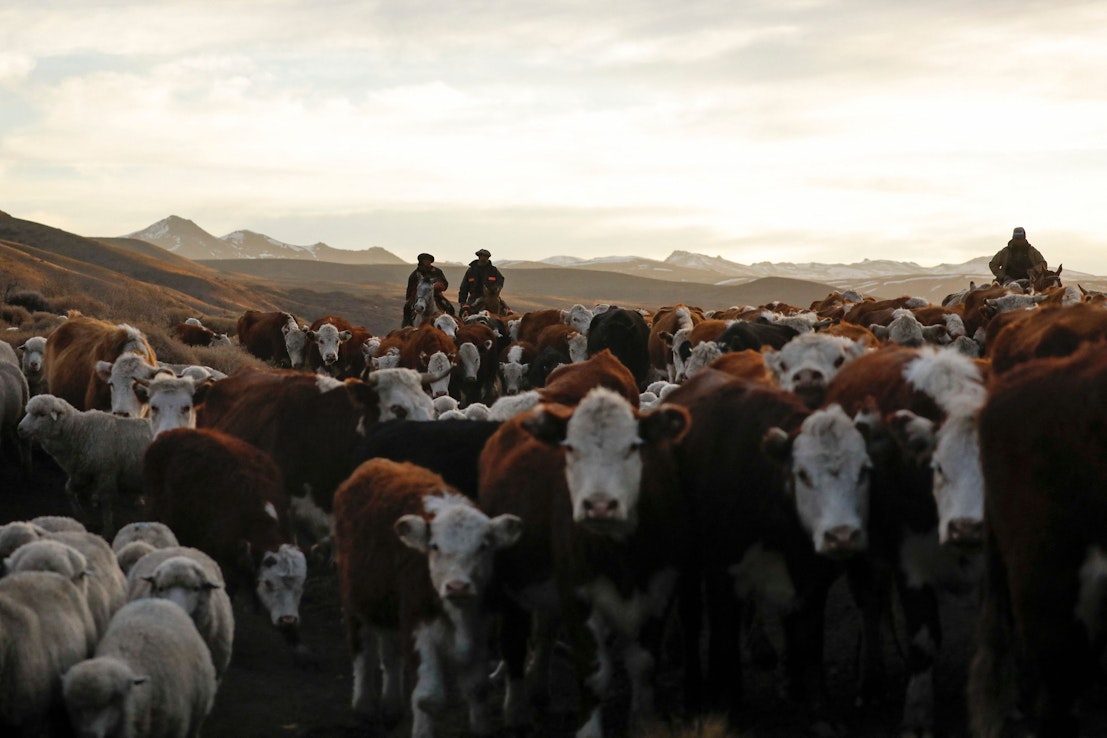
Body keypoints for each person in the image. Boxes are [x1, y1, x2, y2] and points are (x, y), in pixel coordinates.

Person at [402, 253, 453, 326]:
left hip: (435, 295)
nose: (427, 262)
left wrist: (439, 286)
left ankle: (450, 325)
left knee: (448, 307)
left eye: (428, 260)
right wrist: (409, 300)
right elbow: (410, 288)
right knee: (407, 308)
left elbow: (445, 283)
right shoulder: (414, 274)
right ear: (421, 261)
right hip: (418, 296)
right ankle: (407, 326)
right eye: (425, 260)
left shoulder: (437, 272)